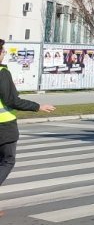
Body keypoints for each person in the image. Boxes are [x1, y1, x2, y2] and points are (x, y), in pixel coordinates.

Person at [0, 46, 55, 212]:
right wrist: (37, 107)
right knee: (7, 160)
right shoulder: (2, 73)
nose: (4, 53)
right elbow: (12, 100)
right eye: (2, 50)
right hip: (4, 127)